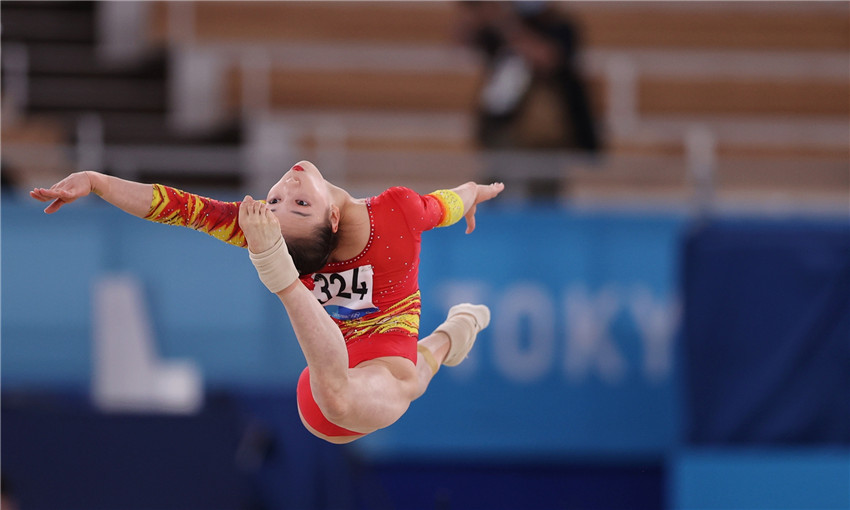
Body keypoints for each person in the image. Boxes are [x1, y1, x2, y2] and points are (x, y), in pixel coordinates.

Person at [30, 162, 505, 443]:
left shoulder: (397, 211)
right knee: (363, 389)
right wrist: (95, 182)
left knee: (397, 382)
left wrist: (477, 192)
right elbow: (173, 206)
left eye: (281, 203)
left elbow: (450, 202)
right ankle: (439, 343)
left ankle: (441, 342)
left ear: (336, 218)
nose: (286, 193)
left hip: (374, 367)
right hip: (325, 385)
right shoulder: (277, 225)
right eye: (294, 205)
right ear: (331, 217)